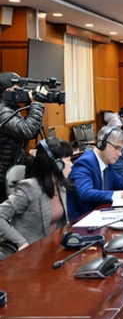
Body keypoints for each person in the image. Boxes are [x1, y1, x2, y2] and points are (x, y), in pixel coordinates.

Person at [0, 138, 73, 253]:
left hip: (52, 247)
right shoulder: (30, 188)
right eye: (68, 160)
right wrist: (21, 242)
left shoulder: (59, 184)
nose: (72, 164)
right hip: (30, 251)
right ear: (56, 165)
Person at [66, 126, 123, 220]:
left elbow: (119, 181)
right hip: (82, 221)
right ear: (102, 144)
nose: (120, 154)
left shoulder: (107, 162)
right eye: (117, 148)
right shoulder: (85, 163)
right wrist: (120, 195)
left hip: (101, 215)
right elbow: (85, 193)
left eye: (122, 150)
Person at [0, 73, 45, 203]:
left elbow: (30, 130)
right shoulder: (2, 111)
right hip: (2, 175)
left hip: (10, 169)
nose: (23, 92)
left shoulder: (11, 109)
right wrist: (36, 105)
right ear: (7, 91)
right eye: (18, 89)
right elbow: (26, 131)